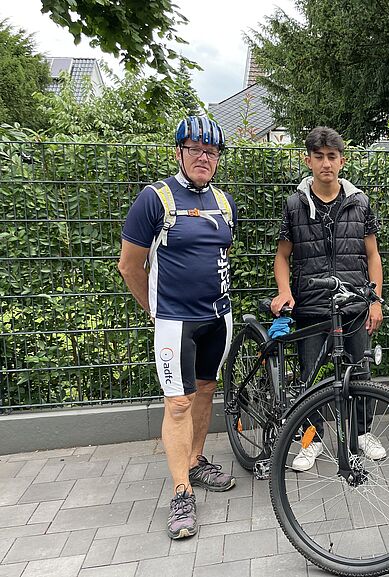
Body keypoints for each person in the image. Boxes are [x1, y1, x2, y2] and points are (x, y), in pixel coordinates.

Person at [118, 116, 238, 540]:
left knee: (205, 391)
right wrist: (156, 311)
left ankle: (196, 461)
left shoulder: (224, 203)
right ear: (179, 153)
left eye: (211, 152)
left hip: (217, 318)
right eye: (195, 150)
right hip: (175, 322)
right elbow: (130, 266)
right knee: (178, 405)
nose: (204, 158)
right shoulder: (155, 199)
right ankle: (181, 492)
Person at [271, 126, 385, 471]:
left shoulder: (360, 202)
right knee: (310, 376)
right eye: (318, 157)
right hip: (312, 306)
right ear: (308, 161)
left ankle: (362, 434)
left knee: (361, 372)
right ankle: (311, 439)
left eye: (332, 157)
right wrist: (285, 291)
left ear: (342, 161)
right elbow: (282, 256)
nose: (325, 164)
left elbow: (373, 255)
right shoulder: (294, 205)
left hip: (353, 304)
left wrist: (375, 299)